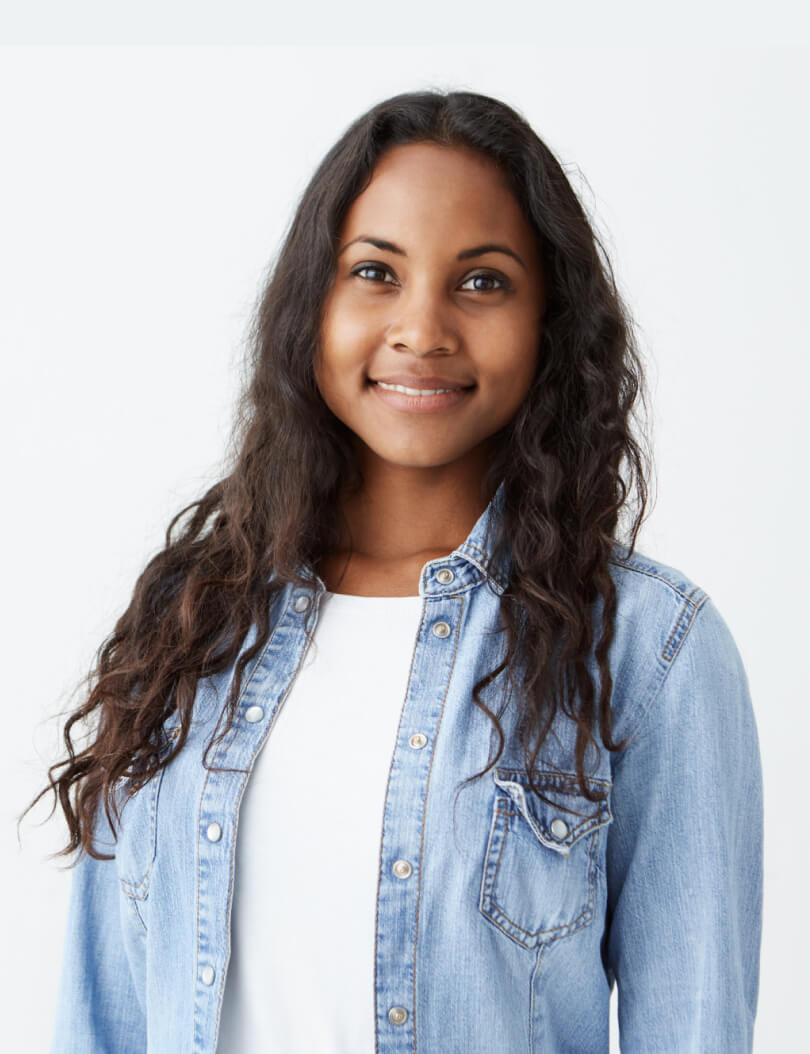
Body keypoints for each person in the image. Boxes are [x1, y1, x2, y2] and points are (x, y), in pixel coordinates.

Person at [24, 89, 763, 1053]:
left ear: (552, 320)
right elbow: (103, 1018)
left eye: (483, 282)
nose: (422, 329)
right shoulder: (192, 621)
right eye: (375, 271)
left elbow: (694, 1029)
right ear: (311, 305)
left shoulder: (648, 652)